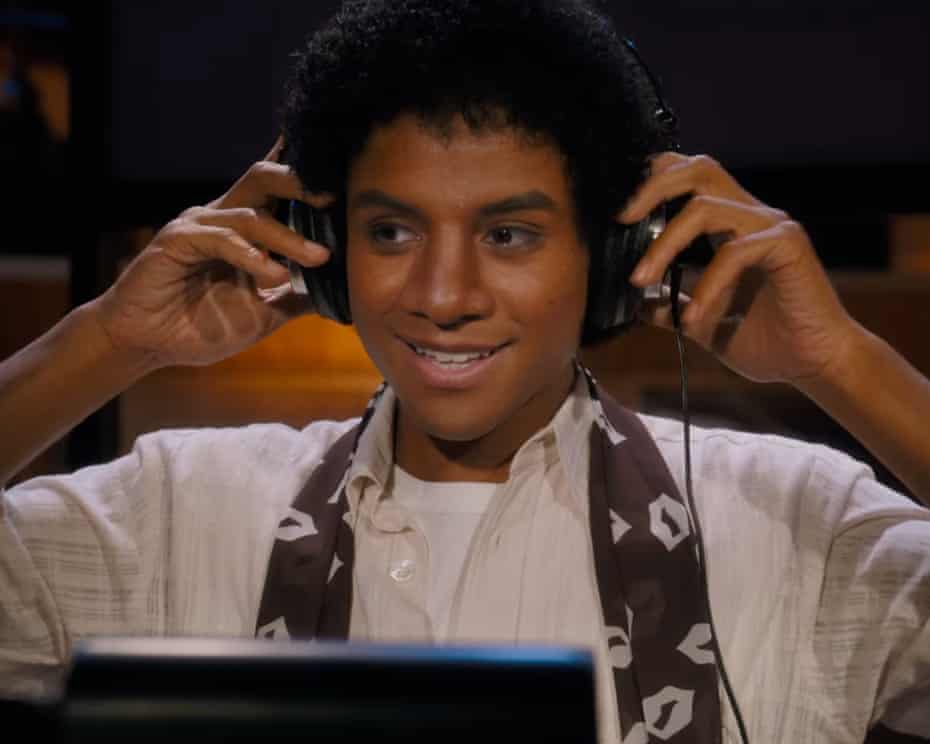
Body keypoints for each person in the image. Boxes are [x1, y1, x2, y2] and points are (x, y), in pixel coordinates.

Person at [1, 1, 929, 742]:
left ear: (614, 255)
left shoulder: (795, 522)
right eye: (391, 231)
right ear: (326, 247)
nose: (443, 296)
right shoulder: (181, 506)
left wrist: (840, 360)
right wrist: (111, 339)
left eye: (508, 234)